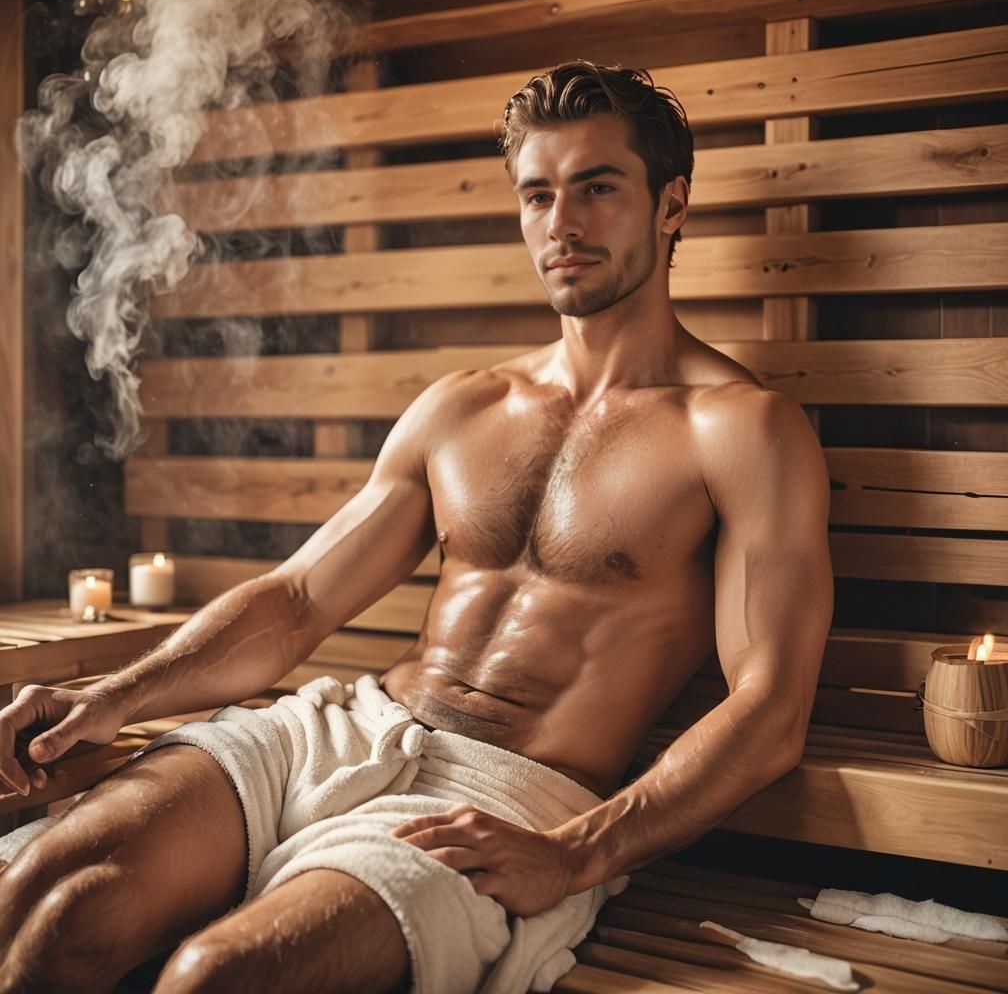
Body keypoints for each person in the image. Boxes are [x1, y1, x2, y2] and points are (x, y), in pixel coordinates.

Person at [0, 60, 833, 994]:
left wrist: (573, 856)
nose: (562, 224)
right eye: (537, 195)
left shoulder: (741, 430)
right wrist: (112, 695)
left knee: (216, 977)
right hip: (343, 727)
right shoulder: (464, 408)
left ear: (670, 204)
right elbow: (301, 598)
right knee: (48, 896)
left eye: (598, 188)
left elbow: (770, 714)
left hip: (506, 795)